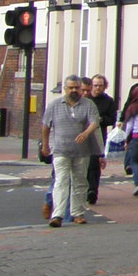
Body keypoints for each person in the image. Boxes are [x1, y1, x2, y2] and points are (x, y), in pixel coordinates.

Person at [39, 77, 98, 227]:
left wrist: (86, 133)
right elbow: (45, 126)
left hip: (82, 151)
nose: (74, 91)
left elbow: (94, 122)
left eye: (77, 88)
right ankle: (57, 215)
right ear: (65, 89)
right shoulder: (54, 105)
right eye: (71, 88)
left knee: (80, 182)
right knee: (61, 182)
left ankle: (78, 213)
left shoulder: (88, 105)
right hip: (60, 150)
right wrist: (45, 145)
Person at [85, 74, 116, 205]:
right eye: (95, 85)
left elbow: (112, 119)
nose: (97, 88)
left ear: (105, 86)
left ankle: (92, 190)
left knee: (95, 163)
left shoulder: (108, 101)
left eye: (100, 86)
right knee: (83, 164)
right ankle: (84, 188)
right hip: (83, 136)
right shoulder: (85, 99)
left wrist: (101, 120)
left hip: (98, 136)